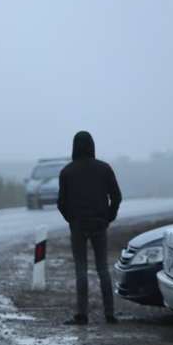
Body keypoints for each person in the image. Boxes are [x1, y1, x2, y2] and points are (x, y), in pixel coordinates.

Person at [57, 131, 122, 325]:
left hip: (78, 225)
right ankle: (109, 314)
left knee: (81, 270)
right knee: (103, 269)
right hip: (99, 224)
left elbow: (61, 203)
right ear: (92, 146)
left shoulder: (67, 172)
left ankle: (82, 314)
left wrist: (72, 219)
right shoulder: (104, 169)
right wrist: (108, 218)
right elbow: (116, 196)